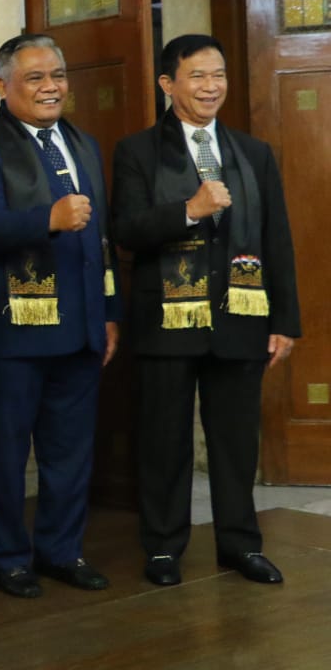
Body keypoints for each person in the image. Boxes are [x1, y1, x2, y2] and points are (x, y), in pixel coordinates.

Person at [113, 34, 299, 587]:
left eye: (218, 75)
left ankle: (240, 545)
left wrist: (284, 321)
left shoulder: (253, 153)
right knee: (164, 441)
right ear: (167, 84)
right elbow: (126, 232)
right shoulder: (138, 152)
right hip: (167, 321)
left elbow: (277, 239)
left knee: (236, 442)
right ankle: (163, 548)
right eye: (197, 76)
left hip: (241, 316)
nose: (211, 86)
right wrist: (188, 210)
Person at [0, 34, 119, 599]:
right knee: (4, 456)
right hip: (14, 334)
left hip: (81, 331)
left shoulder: (83, 144)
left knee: (70, 455)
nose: (51, 87)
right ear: (3, 86)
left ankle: (61, 551)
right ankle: (6, 557)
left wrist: (110, 313)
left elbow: (101, 240)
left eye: (58, 76)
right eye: (35, 78)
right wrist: (48, 218)